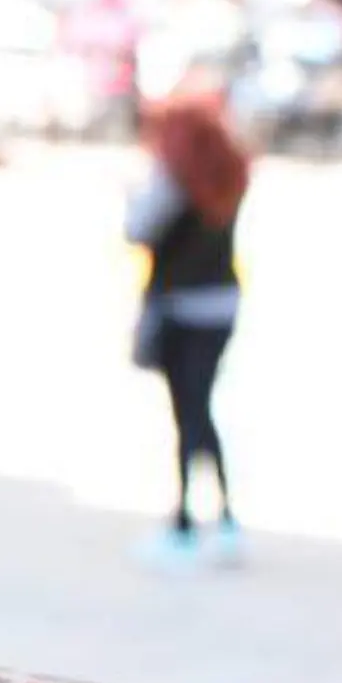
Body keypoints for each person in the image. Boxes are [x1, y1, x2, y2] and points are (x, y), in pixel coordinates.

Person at [126, 86, 253, 567]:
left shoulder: (174, 182)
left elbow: (137, 229)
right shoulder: (230, 174)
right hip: (221, 301)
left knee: (189, 411)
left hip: (181, 305)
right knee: (201, 407)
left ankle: (184, 520)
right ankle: (223, 519)